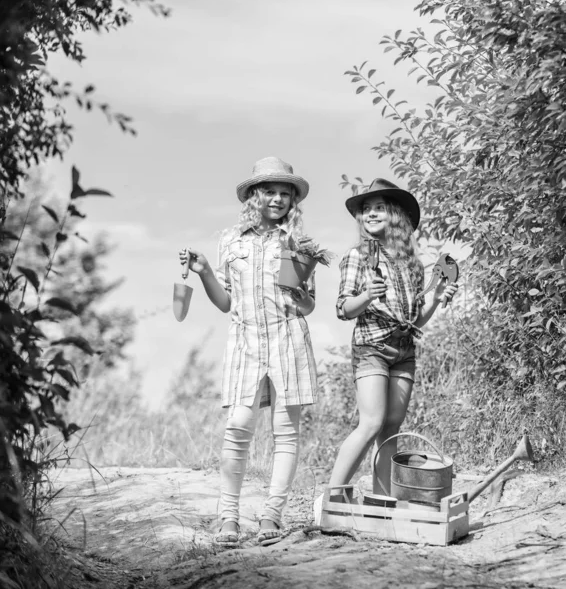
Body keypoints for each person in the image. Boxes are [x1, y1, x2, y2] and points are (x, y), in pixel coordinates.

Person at [179, 156, 319, 548]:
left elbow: (308, 306)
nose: (277, 199)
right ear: (254, 195)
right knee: (238, 426)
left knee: (285, 432)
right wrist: (205, 269)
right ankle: (228, 517)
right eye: (270, 191)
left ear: (293, 200)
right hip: (246, 339)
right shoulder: (230, 240)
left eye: (285, 193)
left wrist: (299, 289)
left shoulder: (299, 243)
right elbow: (225, 303)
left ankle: (272, 514)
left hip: (288, 336)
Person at [327, 178, 458, 497]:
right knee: (371, 422)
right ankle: (333, 495)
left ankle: (381, 499)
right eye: (366, 209)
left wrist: (438, 297)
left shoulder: (411, 265)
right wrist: (367, 296)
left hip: (404, 350)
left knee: (390, 428)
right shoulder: (357, 256)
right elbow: (343, 309)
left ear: (397, 215)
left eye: (379, 208)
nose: (370, 214)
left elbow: (416, 319)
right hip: (371, 348)